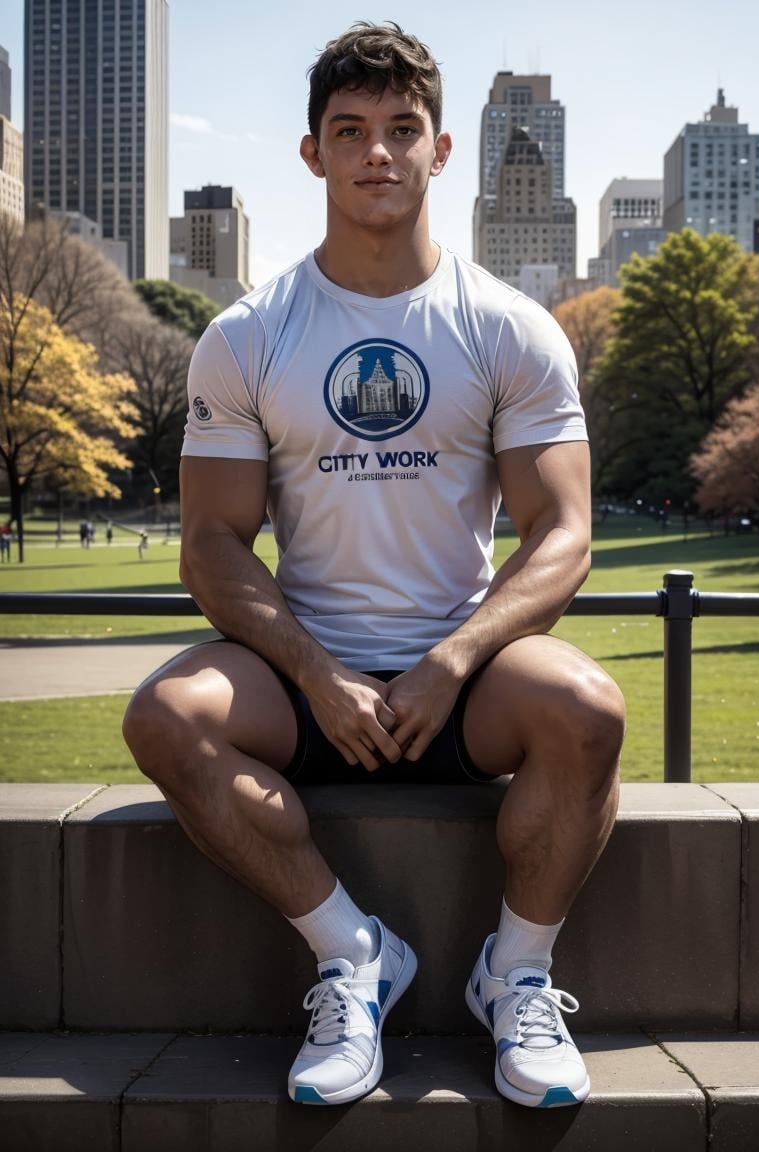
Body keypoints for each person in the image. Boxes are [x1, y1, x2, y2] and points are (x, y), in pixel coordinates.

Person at [123, 22, 625, 1111]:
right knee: (166, 717)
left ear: (441, 150)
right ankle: (353, 958)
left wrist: (453, 659)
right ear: (313, 154)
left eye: (403, 130)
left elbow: (563, 534)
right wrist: (311, 672)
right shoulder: (249, 335)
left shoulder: (511, 328)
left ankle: (518, 978)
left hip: (462, 683)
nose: (378, 153)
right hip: (310, 683)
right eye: (350, 131)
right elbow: (212, 543)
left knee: (587, 707)